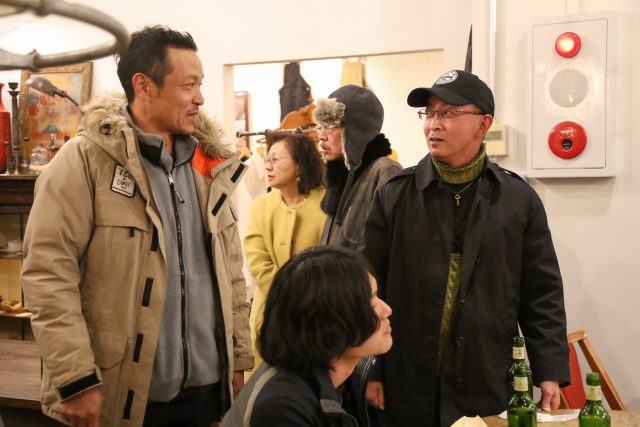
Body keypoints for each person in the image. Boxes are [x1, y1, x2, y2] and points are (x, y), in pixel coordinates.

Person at [21, 25, 253, 427]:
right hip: (122, 397)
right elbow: (47, 273)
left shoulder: (209, 168)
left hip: (206, 397)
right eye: (189, 85)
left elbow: (230, 270)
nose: (200, 98)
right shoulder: (85, 162)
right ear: (144, 86)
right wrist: (74, 378)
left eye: (200, 85)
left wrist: (238, 358)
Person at [361, 70, 569, 426]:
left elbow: (541, 292)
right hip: (406, 376)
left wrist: (549, 370)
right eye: (429, 112)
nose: (433, 124)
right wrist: (371, 366)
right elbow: (368, 285)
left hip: (486, 374)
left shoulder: (517, 200)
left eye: (448, 112)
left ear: (483, 124)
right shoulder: (396, 195)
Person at [223, 246, 393, 426]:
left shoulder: (345, 375)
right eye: (371, 304)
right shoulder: (282, 410)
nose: (387, 310)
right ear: (328, 324)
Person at [244, 131, 326, 373]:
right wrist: (289, 295)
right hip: (268, 315)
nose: (267, 166)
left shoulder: (326, 205)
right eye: (267, 159)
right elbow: (258, 262)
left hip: (313, 318)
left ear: (299, 165)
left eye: (275, 159)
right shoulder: (261, 207)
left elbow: (330, 264)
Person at [313, 85, 402, 249]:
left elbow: (392, 246)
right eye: (320, 126)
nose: (321, 136)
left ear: (356, 130)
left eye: (330, 126)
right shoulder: (340, 176)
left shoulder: (385, 171)